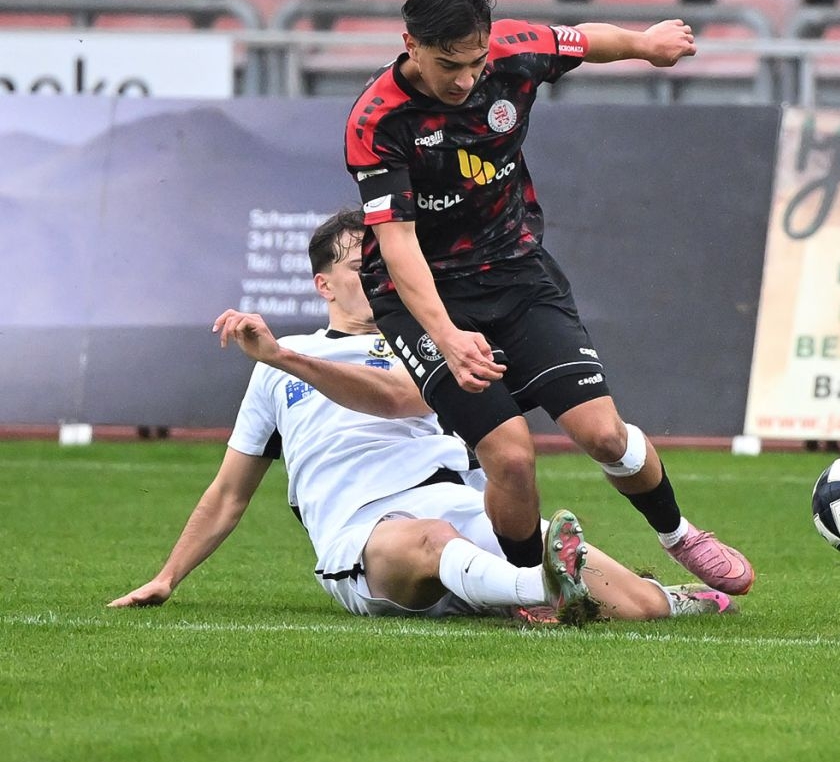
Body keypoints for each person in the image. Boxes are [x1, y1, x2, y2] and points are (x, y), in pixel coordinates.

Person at [111, 209, 733, 624]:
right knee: (431, 540)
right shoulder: (277, 365)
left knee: (636, 607)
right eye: (363, 268)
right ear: (324, 285)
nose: (380, 278)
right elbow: (228, 493)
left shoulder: (432, 343)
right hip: (366, 533)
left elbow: (394, 397)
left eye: (386, 266)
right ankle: (536, 590)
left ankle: (663, 597)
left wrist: (287, 358)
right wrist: (167, 577)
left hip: (465, 506)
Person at [343, 0, 753, 594]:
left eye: (475, 62)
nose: (465, 80)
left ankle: (679, 535)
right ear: (411, 45)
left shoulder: (514, 50)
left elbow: (585, 40)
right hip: (424, 297)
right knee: (510, 456)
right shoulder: (377, 120)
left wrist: (645, 44)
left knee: (604, 434)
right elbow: (399, 245)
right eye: (449, 65)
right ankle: (527, 589)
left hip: (516, 271)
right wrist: (448, 336)